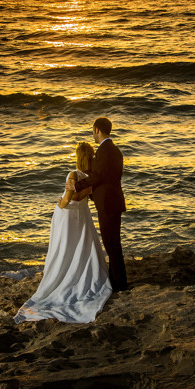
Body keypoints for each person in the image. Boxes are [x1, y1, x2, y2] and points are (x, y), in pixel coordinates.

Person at [14, 142, 112, 323]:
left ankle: (61, 273)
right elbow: (82, 196)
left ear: (78, 157)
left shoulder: (73, 174)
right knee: (80, 244)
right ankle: (78, 273)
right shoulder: (92, 178)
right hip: (81, 215)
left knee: (63, 246)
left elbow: (69, 198)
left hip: (67, 214)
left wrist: (60, 203)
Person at [69, 117, 127, 291]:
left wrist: (76, 185)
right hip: (112, 201)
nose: (93, 135)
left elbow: (98, 176)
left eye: (93, 131)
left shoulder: (105, 150)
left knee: (111, 244)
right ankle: (117, 280)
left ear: (97, 130)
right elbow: (104, 175)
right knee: (113, 243)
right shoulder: (114, 150)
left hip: (108, 203)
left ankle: (119, 284)